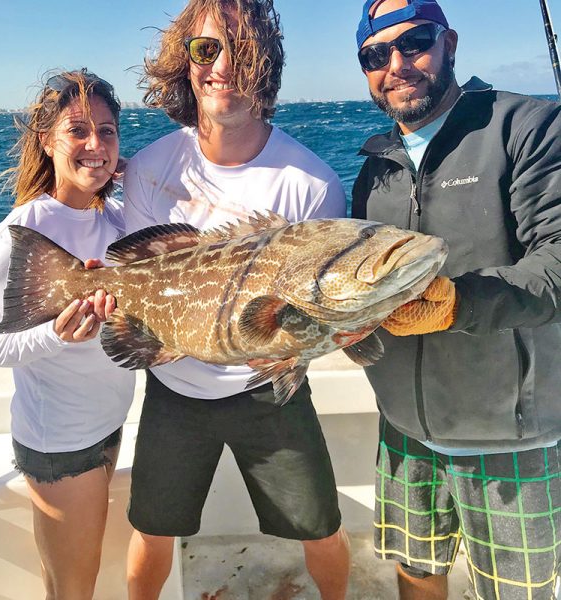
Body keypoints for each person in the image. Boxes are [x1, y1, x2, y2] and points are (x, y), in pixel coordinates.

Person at [122, 1, 350, 598]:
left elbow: (320, 301)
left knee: (321, 527)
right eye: (204, 50)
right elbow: (136, 277)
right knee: (151, 530)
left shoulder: (312, 182)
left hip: (271, 392)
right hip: (175, 392)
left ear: (265, 65)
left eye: (240, 50)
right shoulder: (148, 169)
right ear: (185, 65)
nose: (221, 65)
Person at [352, 0, 561, 599]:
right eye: (375, 54)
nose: (397, 63)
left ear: (450, 43)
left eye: (414, 42)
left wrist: (458, 303)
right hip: (405, 429)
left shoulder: (527, 125)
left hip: (512, 436)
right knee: (415, 576)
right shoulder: (375, 163)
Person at [0, 69, 136, 600]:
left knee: (64, 584)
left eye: (107, 131)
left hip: (107, 425)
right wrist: (56, 336)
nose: (95, 145)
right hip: (61, 443)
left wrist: (133, 175)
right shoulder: (22, 232)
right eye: (78, 131)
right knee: (75, 591)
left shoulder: (116, 221)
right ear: (46, 140)